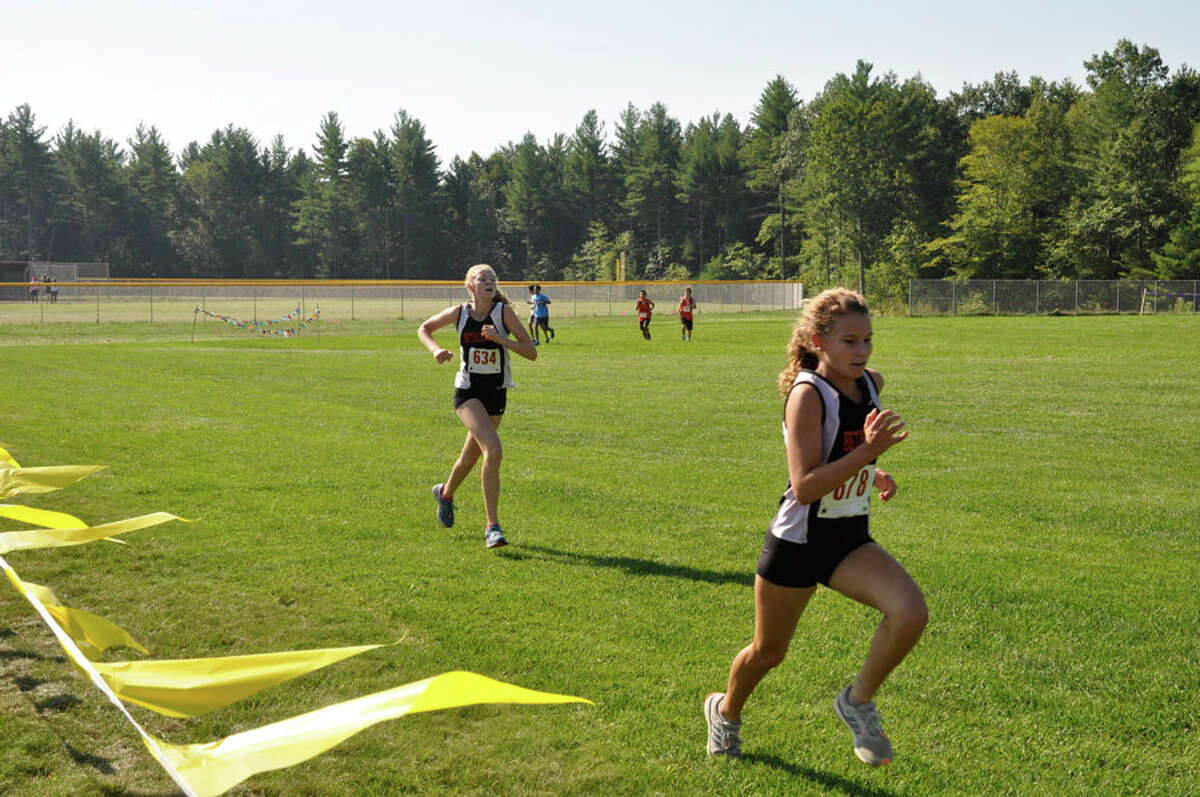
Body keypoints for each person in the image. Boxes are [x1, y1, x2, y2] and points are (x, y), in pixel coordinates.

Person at [705, 287, 927, 767]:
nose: (862, 351)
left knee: (910, 612)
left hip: (847, 540)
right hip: (798, 543)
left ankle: (858, 702)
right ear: (817, 341)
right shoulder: (807, 395)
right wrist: (867, 454)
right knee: (768, 653)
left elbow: (840, 448)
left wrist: (872, 471)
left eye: (868, 339)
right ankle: (724, 712)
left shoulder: (870, 383)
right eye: (850, 341)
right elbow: (804, 486)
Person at [418, 264, 538, 549]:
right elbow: (424, 328)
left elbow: (531, 352)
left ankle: (445, 494)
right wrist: (436, 350)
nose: (489, 282)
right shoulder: (459, 313)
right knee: (493, 450)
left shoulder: (503, 313)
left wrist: (500, 339)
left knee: (470, 457)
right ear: (470, 286)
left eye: (492, 279)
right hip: (468, 393)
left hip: (496, 394)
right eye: (482, 279)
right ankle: (492, 527)